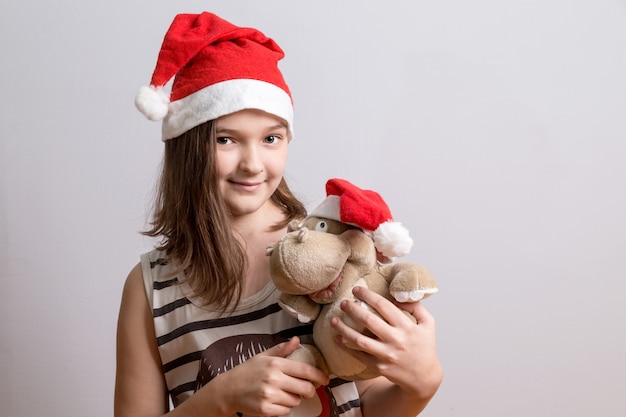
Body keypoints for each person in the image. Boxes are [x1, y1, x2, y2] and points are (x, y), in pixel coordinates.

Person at [114, 11, 442, 417]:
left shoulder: (332, 251)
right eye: (226, 139)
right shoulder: (151, 289)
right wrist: (220, 398)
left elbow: (373, 402)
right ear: (188, 146)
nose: (253, 163)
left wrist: (421, 385)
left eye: (271, 138)